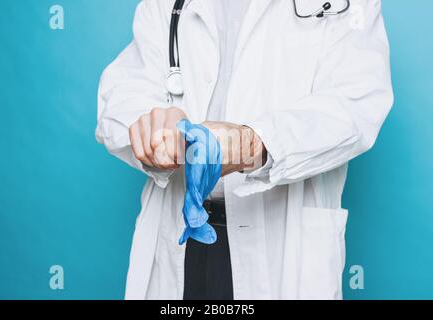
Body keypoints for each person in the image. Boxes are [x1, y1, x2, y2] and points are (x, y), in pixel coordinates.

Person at [96, 0, 393, 300]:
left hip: (280, 244)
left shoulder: (351, 5)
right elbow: (124, 94)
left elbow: (356, 106)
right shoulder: (164, 4)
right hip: (180, 240)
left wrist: (254, 142)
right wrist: (154, 130)